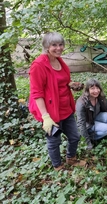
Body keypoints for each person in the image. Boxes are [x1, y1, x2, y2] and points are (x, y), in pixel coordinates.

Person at [29, 32, 85, 171]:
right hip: (50, 112)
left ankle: (70, 158)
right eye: (54, 45)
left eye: (61, 44)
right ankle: (58, 166)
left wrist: (71, 84)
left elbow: (60, 82)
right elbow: (37, 93)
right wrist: (45, 116)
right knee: (54, 141)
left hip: (65, 109)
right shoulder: (38, 65)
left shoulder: (59, 61)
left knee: (75, 136)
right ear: (47, 46)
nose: (58, 48)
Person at [76, 78, 107, 150]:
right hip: (88, 124)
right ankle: (91, 138)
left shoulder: (100, 97)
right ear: (87, 90)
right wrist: (88, 143)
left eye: (97, 88)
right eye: (92, 88)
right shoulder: (81, 103)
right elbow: (81, 124)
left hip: (96, 117)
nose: (96, 91)